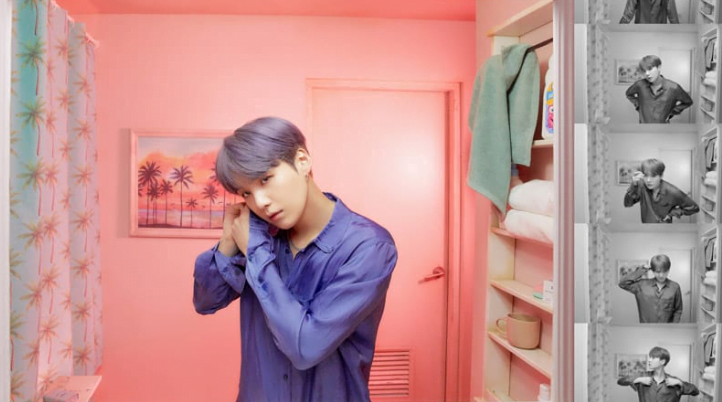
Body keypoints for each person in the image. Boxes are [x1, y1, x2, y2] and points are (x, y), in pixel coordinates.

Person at [192, 116, 398, 402]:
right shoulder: (258, 236)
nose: (260, 202)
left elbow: (306, 347)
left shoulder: (368, 247)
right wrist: (229, 242)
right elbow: (206, 301)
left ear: (302, 161)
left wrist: (255, 252)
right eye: (246, 193)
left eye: (265, 179)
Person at [623, 158, 699, 223]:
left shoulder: (673, 191)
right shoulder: (641, 186)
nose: (648, 180)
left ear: (661, 176)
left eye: (653, 176)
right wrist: (633, 185)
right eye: (646, 175)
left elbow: (694, 208)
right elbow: (627, 204)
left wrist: (673, 213)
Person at [625, 55, 693, 124]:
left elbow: (688, 102)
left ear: (659, 67)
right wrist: (639, 105)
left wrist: (672, 112)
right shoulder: (639, 85)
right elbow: (629, 94)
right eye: (644, 71)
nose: (647, 74)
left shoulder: (674, 87)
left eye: (650, 69)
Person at [617, 346, 699, 402]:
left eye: (653, 358)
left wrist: (680, 383)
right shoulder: (642, 376)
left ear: (662, 361)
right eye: (650, 357)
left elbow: (695, 391)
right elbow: (620, 381)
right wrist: (638, 380)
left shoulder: (674, 381)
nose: (649, 360)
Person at [618, 254, 683, 323]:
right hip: (646, 328)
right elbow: (622, 284)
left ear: (669, 270)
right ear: (653, 270)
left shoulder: (675, 287)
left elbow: (678, 310)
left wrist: (673, 326)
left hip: (667, 328)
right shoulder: (641, 285)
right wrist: (640, 271)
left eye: (664, 271)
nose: (661, 275)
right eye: (658, 272)